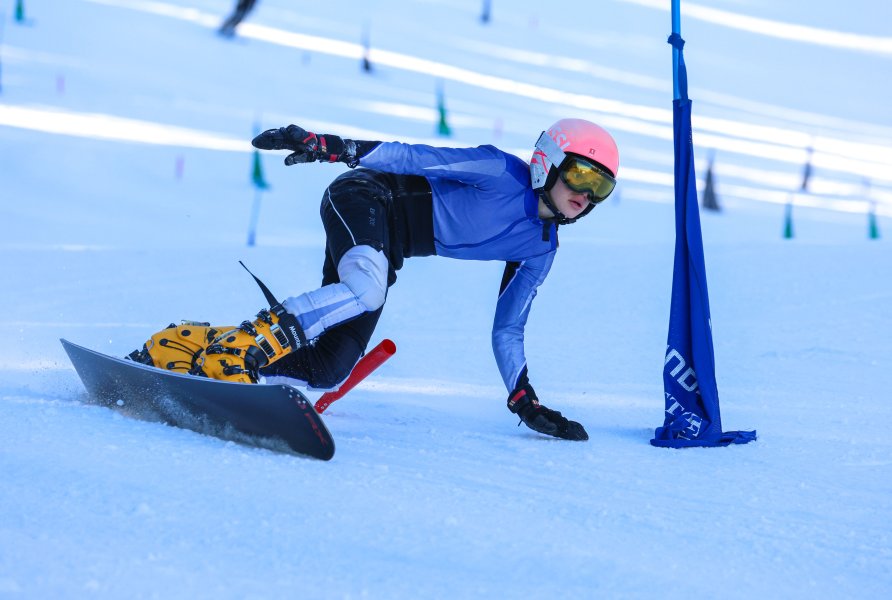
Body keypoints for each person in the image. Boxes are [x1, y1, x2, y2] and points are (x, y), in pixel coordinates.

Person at [132, 119, 620, 441]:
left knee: (330, 364)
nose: (586, 194)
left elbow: (507, 329)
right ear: (547, 162)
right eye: (580, 175)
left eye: (601, 186)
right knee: (367, 287)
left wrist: (523, 399)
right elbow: (413, 158)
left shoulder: (540, 248)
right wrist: (333, 148)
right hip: (366, 195)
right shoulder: (498, 171)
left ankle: (187, 343)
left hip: (389, 247)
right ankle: (241, 349)